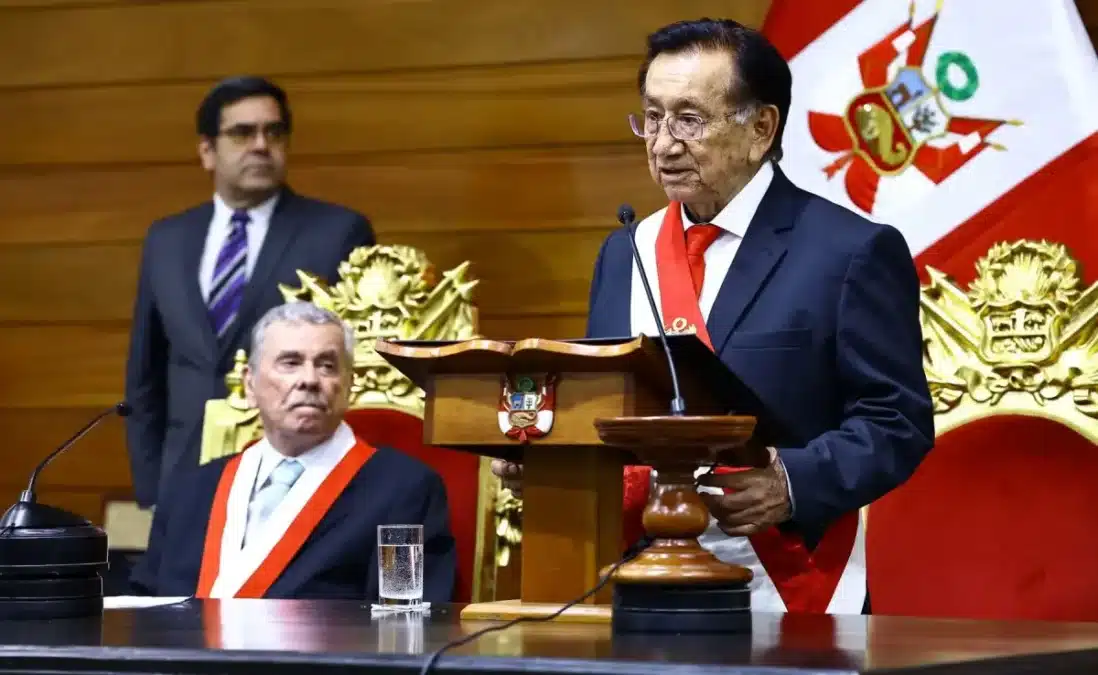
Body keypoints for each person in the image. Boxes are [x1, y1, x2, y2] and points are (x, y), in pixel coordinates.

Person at [492, 18, 934, 614]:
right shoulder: (627, 249)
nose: (663, 143)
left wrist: (792, 483)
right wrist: (544, 457)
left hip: (784, 578)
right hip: (637, 571)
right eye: (652, 116)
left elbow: (897, 421)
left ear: (760, 127)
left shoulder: (850, 251)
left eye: (689, 119)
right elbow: (604, 406)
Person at [125, 75, 376, 509]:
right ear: (207, 151)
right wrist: (150, 488)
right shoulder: (166, 239)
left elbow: (364, 372)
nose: (261, 145)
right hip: (182, 478)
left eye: (274, 132)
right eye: (242, 133)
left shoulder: (337, 233)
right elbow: (145, 374)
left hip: (294, 473)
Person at [130, 302, 456, 601]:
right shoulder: (192, 487)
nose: (310, 380)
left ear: (349, 384)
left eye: (327, 366)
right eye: (290, 363)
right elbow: (143, 603)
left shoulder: (403, 491)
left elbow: (402, 623)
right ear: (249, 384)